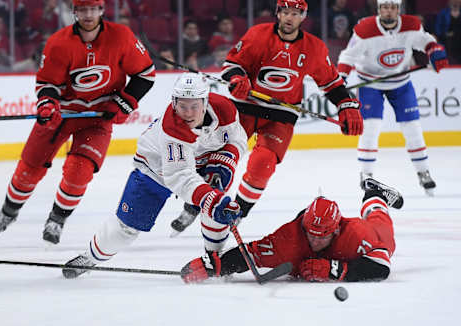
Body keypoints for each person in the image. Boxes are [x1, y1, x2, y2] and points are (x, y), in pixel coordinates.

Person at [169, 0, 363, 236]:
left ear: (303, 17)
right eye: (286, 12)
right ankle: (194, 203)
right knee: (222, 159)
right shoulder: (258, 35)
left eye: (295, 13)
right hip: (246, 106)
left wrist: (346, 105)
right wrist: (238, 80)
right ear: (278, 14)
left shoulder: (314, 47)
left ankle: (236, 213)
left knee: (263, 164)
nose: (290, 18)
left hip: (282, 114)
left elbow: (331, 82)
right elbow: (232, 65)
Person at [0, 0, 155, 244]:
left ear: (102, 11)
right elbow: (47, 84)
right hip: (62, 115)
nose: (88, 14)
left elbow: (145, 75)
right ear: (74, 12)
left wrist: (123, 103)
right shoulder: (59, 42)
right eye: (82, 9)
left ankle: (57, 218)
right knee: (28, 169)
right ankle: (8, 213)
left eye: (93, 9)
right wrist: (47, 104)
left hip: (97, 119)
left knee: (79, 171)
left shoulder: (121, 36)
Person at [61, 73, 248, 279]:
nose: (187, 113)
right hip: (155, 168)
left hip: (200, 160)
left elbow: (238, 138)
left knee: (218, 204)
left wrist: (225, 160)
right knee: (127, 227)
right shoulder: (173, 128)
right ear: (173, 103)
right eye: (182, 106)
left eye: (194, 106)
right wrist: (209, 198)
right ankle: (90, 257)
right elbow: (179, 176)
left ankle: (215, 259)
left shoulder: (226, 109)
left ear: (205, 102)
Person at [181, 177, 403, 283]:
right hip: (297, 235)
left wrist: (336, 270)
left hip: (367, 232)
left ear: (335, 231)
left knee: (379, 221)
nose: (315, 240)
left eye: (321, 235)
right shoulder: (289, 240)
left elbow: (381, 268)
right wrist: (215, 265)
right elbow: (251, 253)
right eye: (311, 233)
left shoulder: (356, 235)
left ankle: (375, 193)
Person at [337, 0, 449, 196]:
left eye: (393, 7)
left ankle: (423, 172)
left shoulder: (411, 26)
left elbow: (425, 41)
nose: (389, 11)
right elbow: (348, 57)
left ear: (399, 9)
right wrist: (341, 80)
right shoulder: (365, 29)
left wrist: (434, 50)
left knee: (412, 128)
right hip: (370, 83)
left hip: (401, 83)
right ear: (379, 9)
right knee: (370, 128)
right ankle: (366, 175)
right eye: (385, 7)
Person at [435, 0, 461, 64]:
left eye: (458, 1)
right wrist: (444, 34)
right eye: (454, 0)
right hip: (447, 39)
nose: (455, 2)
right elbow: (438, 27)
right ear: (449, 2)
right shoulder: (443, 13)